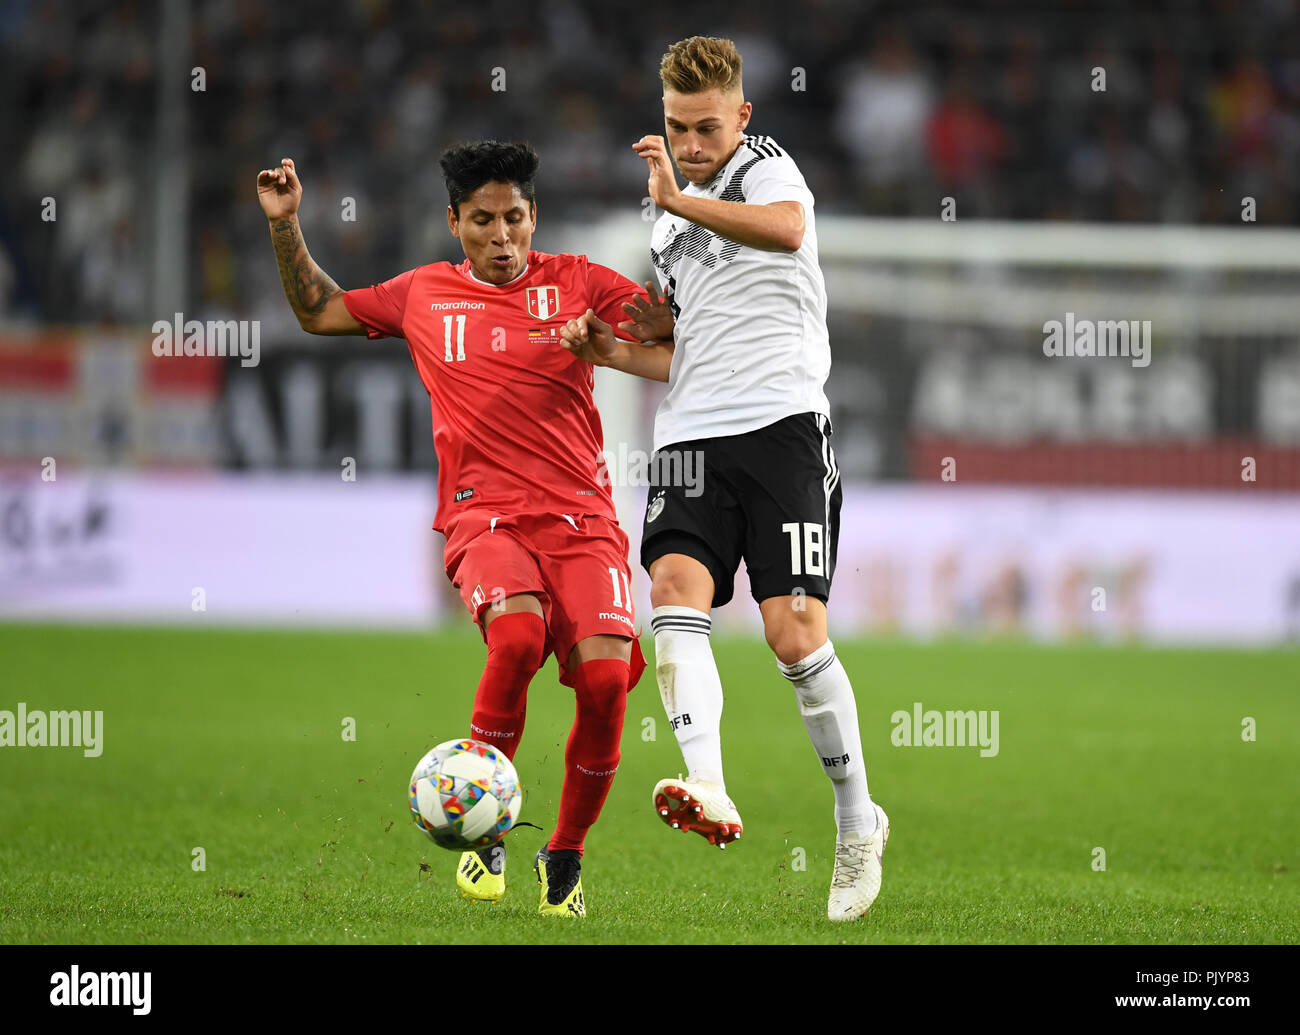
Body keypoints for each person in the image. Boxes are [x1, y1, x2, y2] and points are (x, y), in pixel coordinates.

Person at [256, 141, 672, 918]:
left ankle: (567, 856)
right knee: (515, 639)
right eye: (483, 219)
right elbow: (318, 310)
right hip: (486, 516)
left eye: (515, 217)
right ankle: (486, 831)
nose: (502, 235)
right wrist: (286, 226)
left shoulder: (580, 281)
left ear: (534, 216)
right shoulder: (422, 295)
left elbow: (672, 346)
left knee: (611, 683)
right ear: (455, 223)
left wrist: (634, 334)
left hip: (583, 520)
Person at [559, 36, 888, 922]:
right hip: (693, 435)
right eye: (677, 127)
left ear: (741, 117)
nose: (694, 142)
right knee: (670, 589)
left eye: (707, 126)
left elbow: (788, 233)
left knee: (792, 634)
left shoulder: (765, 170)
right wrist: (610, 351)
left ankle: (858, 820)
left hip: (782, 426)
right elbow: (683, 352)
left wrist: (681, 197)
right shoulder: (665, 220)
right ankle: (707, 783)